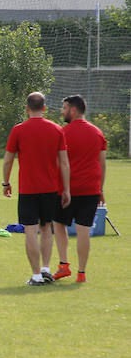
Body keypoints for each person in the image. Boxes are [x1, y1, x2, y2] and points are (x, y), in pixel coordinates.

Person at [2, 92, 70, 286]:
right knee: (46, 228)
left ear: (27, 109)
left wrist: (6, 183)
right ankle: (46, 269)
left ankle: (36, 275)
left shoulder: (18, 130)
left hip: (28, 189)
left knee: (30, 231)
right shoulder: (57, 130)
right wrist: (66, 189)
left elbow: (8, 160)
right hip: (50, 189)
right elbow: (64, 163)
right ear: (44, 108)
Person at [52, 95, 107, 283]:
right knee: (84, 231)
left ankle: (63, 265)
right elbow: (102, 164)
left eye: (64, 108)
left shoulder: (62, 133)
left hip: (66, 189)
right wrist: (100, 189)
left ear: (73, 110)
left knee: (58, 224)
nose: (62, 111)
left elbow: (58, 162)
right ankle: (81, 273)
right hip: (91, 189)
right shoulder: (97, 132)